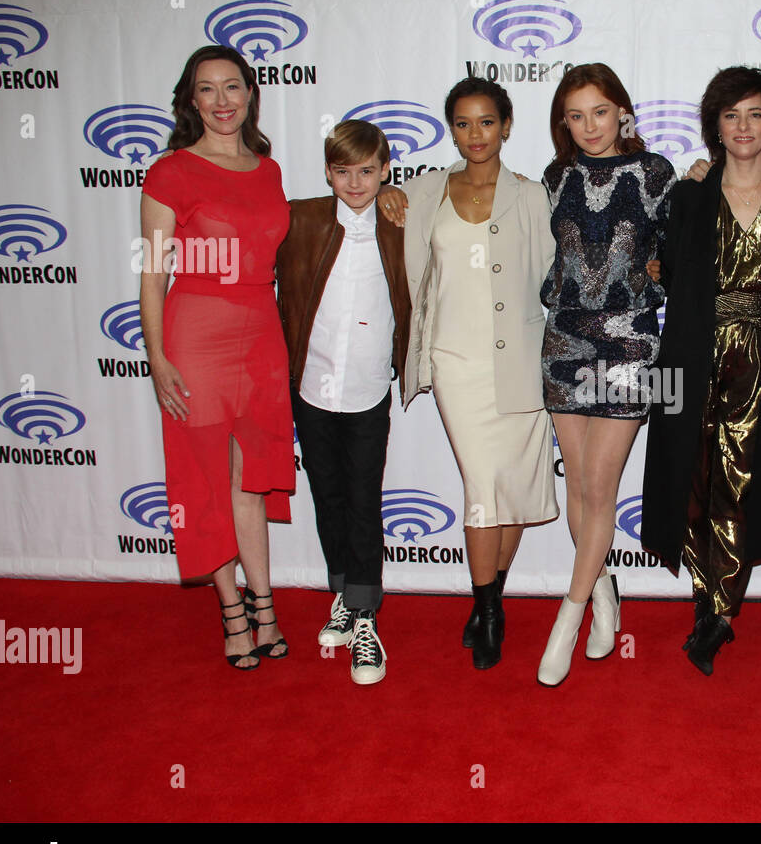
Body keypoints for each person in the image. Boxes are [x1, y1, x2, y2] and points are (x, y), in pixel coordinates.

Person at [380, 77, 559, 671]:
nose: (475, 134)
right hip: (455, 362)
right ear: (449, 129)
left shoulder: (533, 197)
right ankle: (486, 613)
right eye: (462, 123)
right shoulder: (422, 193)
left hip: (521, 363)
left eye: (486, 122)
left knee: (512, 492)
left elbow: (560, 273)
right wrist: (384, 197)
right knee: (484, 487)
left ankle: (491, 601)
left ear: (506, 126)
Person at [641, 66, 761, 675]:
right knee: (695, 476)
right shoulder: (689, 197)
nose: (743, 126)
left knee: (743, 481)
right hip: (694, 354)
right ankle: (701, 601)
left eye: (755, 114)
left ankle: (722, 608)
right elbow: (658, 270)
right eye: (731, 115)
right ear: (715, 125)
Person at [139, 45, 294, 670]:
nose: (223, 101)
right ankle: (232, 610)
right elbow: (153, 274)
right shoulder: (170, 171)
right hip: (195, 333)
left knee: (249, 478)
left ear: (251, 93)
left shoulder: (270, 169)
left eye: (234, 87)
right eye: (209, 90)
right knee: (205, 477)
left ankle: (265, 603)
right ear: (192, 99)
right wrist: (156, 357)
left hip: (261, 334)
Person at [536, 63, 676, 687]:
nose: (589, 126)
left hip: (628, 345)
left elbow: (677, 258)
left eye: (600, 111)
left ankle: (567, 616)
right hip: (564, 338)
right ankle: (602, 596)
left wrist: (654, 277)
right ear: (563, 122)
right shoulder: (554, 176)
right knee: (578, 489)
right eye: (575, 115)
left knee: (599, 486)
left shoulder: (655, 174)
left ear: (622, 110)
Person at [276, 119, 409, 685]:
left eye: (366, 171)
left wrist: (398, 197)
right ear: (326, 172)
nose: (354, 183)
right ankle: (345, 596)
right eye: (342, 171)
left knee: (362, 499)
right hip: (311, 384)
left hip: (367, 388)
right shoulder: (299, 217)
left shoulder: (401, 219)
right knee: (327, 496)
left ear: (385, 171)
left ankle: (365, 619)